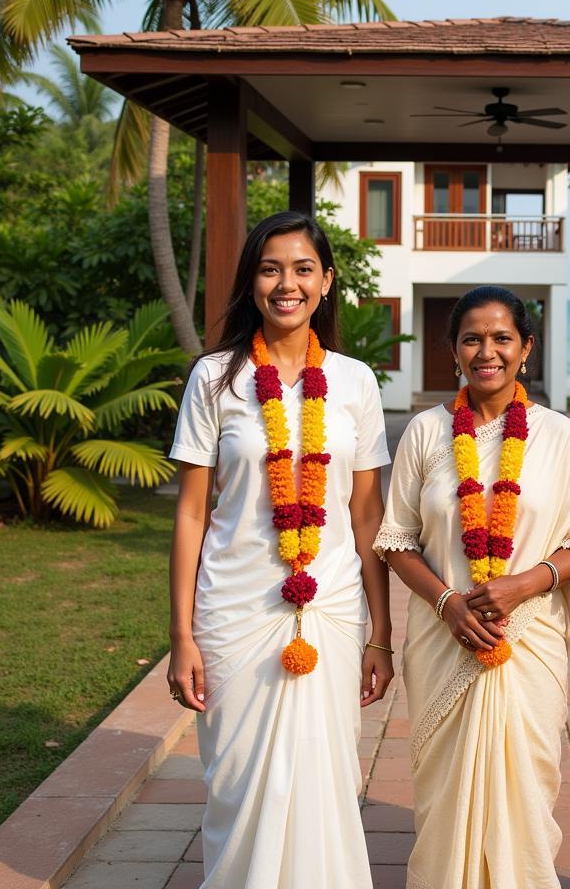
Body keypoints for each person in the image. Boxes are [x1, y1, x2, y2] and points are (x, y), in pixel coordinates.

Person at [166, 211, 393, 888]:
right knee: (236, 784)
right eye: (270, 269)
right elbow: (190, 514)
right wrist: (180, 635)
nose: (285, 284)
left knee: (325, 782)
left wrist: (382, 633)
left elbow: (366, 513)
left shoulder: (355, 382)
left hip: (331, 610)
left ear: (326, 280)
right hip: (235, 610)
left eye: (301, 269)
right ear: (251, 282)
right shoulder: (214, 378)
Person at [374, 286, 570, 889]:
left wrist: (525, 585)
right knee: (444, 793)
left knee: (527, 789)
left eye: (502, 337)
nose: (488, 351)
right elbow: (395, 539)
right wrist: (448, 603)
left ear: (526, 348)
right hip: (441, 637)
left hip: (529, 639)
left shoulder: (557, 436)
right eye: (472, 339)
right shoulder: (427, 433)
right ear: (453, 350)